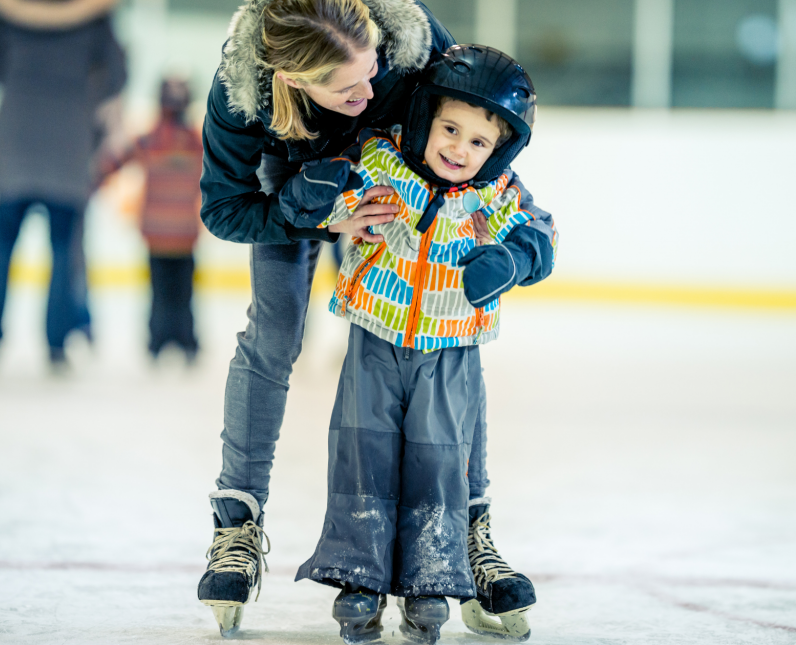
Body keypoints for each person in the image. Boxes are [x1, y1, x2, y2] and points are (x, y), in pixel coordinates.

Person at [194, 1, 556, 639]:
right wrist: (314, 217)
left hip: (395, 161)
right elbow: (225, 209)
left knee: (449, 340)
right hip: (294, 183)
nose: (367, 88)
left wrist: (513, 242)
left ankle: (468, 532)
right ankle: (237, 525)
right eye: (344, 86)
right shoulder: (242, 91)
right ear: (295, 80)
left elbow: (479, 125)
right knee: (274, 338)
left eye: (373, 70)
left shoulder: (411, 40)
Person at [292, 45, 555, 644]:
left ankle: (430, 580)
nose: (459, 149)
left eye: (478, 142)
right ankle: (358, 578)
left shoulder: (497, 197)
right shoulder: (384, 163)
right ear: (425, 121)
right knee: (364, 457)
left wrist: (513, 257)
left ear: (499, 150)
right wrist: (321, 190)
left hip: (450, 353)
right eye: (450, 129)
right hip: (373, 340)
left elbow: (543, 234)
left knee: (438, 466)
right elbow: (333, 195)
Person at [0, 0, 126, 368]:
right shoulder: (96, 15)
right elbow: (115, 76)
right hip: (69, 140)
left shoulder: (4, 13)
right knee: (63, 246)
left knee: (3, 240)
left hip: (16, 137)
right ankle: (57, 340)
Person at [98, 78, 204, 362]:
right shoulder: (196, 141)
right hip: (184, 232)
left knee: (159, 291)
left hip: (156, 232)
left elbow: (113, 162)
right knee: (184, 292)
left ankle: (157, 342)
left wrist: (95, 178)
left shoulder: (150, 139)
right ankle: (186, 342)